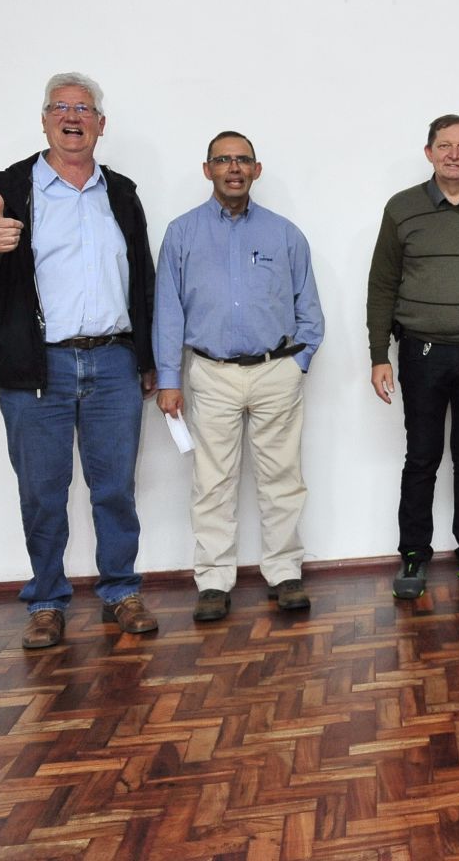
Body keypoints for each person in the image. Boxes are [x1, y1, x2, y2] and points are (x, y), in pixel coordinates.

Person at [0, 72, 158, 649]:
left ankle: (121, 591)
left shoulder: (122, 193)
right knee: (42, 494)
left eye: (83, 109)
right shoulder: (6, 191)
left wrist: (148, 357)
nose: (72, 116)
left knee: (115, 489)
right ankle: (46, 601)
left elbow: (143, 279)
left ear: (101, 125)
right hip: (38, 370)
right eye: (60, 107)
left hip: (113, 363)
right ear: (44, 121)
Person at [153, 131, 325, 622]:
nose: (234, 168)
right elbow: (168, 311)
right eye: (223, 160)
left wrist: (297, 364)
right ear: (207, 169)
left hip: (275, 372)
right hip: (212, 373)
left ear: (256, 169)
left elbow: (309, 309)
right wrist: (169, 379)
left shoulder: (284, 234)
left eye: (243, 160)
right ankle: (213, 580)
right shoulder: (181, 234)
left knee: (283, 478)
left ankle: (284, 572)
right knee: (212, 482)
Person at [367, 113, 459, 600]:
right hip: (422, 352)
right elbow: (382, 285)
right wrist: (379, 353)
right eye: (445, 145)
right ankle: (413, 555)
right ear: (429, 152)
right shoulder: (402, 208)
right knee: (422, 456)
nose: (454, 154)